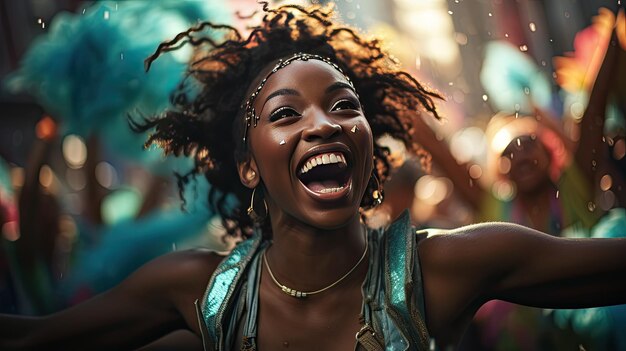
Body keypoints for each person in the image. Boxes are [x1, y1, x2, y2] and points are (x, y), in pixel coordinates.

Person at [1, 3, 626, 350]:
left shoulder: (438, 270)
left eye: (344, 106)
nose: (325, 124)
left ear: (366, 144)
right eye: (285, 114)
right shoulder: (200, 291)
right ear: (249, 163)